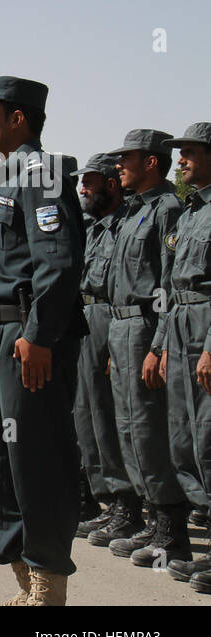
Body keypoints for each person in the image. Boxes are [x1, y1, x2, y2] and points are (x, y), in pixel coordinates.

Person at [0, 76, 86, 605]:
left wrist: (37, 336)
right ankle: (24, 579)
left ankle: (47, 584)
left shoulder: (43, 176)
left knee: (35, 461)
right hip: (5, 332)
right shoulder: (10, 175)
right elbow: (6, 251)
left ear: (19, 118)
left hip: (30, 337)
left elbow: (56, 264)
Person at [102, 128, 191, 567]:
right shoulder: (137, 213)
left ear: (152, 162)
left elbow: (168, 285)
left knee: (150, 429)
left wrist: (158, 343)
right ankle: (148, 518)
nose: (120, 165)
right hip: (122, 327)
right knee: (127, 427)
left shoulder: (169, 210)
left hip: (146, 327)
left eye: (128, 158)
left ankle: (172, 531)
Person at [155, 123, 211, 592]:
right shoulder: (190, 213)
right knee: (183, 439)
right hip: (178, 325)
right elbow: (170, 286)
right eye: (179, 153)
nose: (181, 161)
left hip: (206, 325)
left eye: (190, 153)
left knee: (209, 438)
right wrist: (161, 343)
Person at [68, 154, 134, 538]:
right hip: (88, 319)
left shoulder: (129, 222)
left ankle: (127, 503)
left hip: (115, 320)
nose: (82, 189)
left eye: (90, 183)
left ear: (111, 184)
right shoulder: (94, 228)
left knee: (114, 418)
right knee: (86, 414)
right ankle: (101, 496)